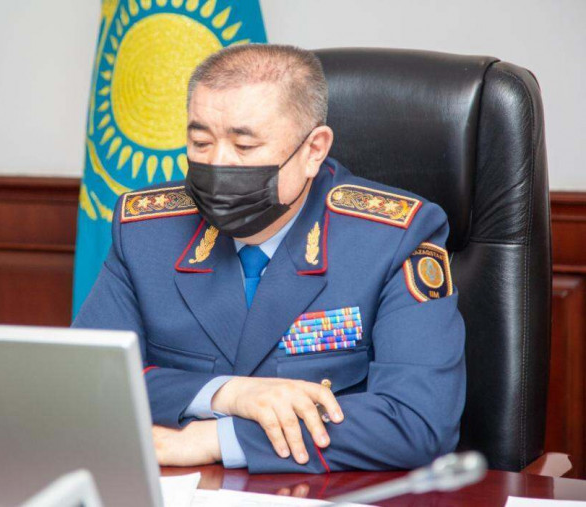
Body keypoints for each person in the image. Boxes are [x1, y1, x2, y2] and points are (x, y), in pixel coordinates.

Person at [73, 44, 465, 474]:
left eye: (244, 145)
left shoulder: (394, 236)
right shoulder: (146, 230)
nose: (217, 163)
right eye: (200, 142)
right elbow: (83, 380)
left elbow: (417, 421)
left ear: (314, 150)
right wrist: (226, 394)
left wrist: (217, 439)